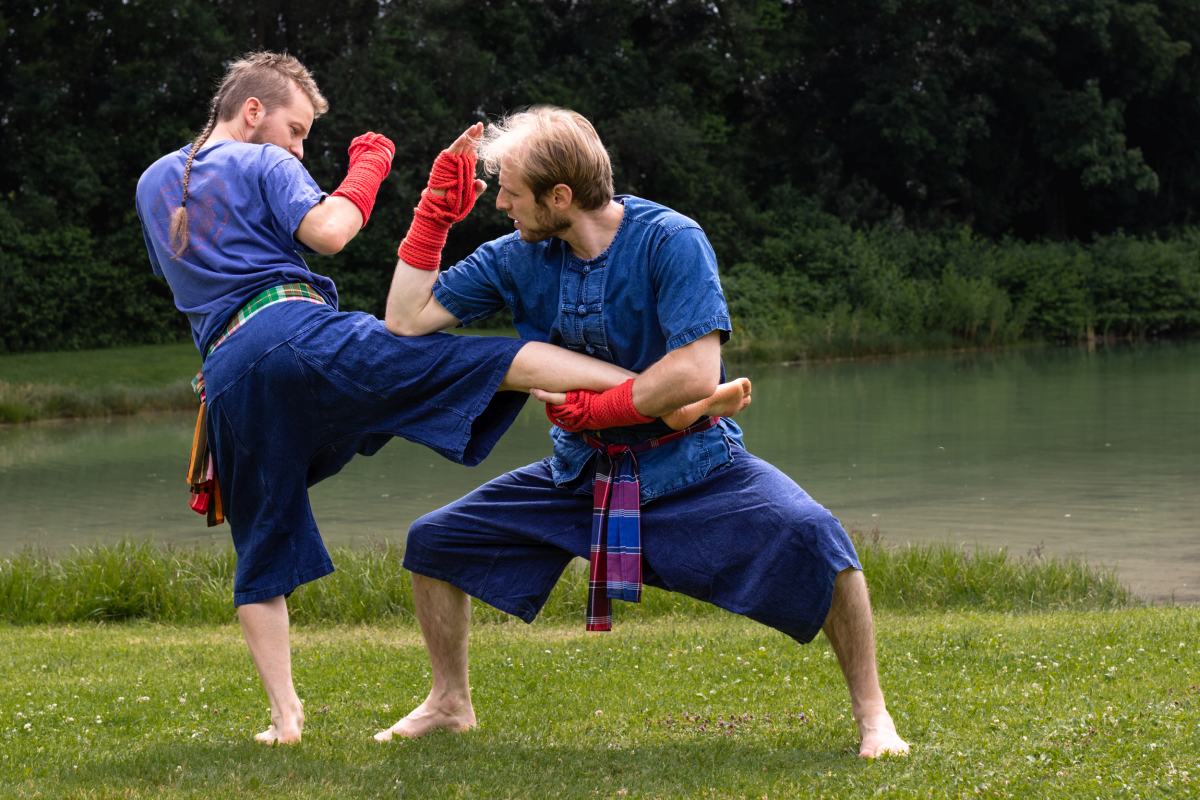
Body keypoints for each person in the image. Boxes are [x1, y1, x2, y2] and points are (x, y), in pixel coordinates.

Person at [135, 55, 743, 746]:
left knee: (262, 533)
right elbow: (332, 234)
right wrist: (370, 163)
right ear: (252, 111)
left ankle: (285, 720)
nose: (298, 148)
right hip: (296, 332)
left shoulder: (155, 182)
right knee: (477, 361)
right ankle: (652, 395)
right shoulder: (261, 162)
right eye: (296, 130)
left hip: (227, 377)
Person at [380, 107, 909, 758]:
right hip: (579, 475)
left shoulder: (670, 240)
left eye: (512, 195)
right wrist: (433, 213)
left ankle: (874, 716)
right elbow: (406, 319)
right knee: (436, 541)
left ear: (560, 197)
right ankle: (448, 702)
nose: (502, 208)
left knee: (820, 542)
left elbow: (693, 371)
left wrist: (599, 410)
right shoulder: (520, 256)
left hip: (692, 468)